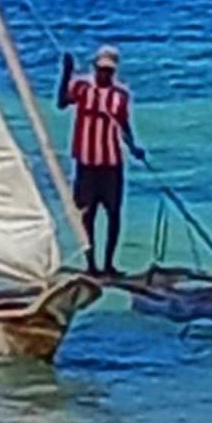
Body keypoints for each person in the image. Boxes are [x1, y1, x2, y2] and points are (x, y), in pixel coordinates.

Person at [57, 45, 143, 275]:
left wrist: (133, 146)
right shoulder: (83, 87)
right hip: (86, 163)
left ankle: (109, 264)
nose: (105, 75)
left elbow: (123, 126)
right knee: (87, 213)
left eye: (109, 71)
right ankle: (91, 264)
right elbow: (62, 102)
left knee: (113, 213)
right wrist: (66, 72)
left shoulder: (120, 95)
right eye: (101, 69)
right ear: (95, 67)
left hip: (111, 163)